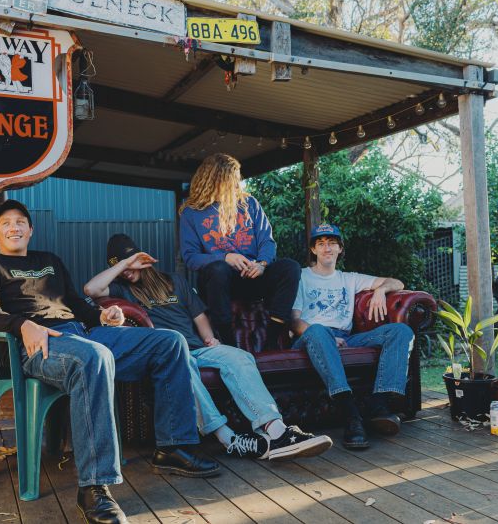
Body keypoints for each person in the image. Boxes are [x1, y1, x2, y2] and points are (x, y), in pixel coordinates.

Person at [0, 200, 218, 524]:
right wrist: (23, 325)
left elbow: (76, 303)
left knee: (170, 342)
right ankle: (94, 488)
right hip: (39, 343)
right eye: (6, 223)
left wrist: (102, 315)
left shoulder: (50, 262)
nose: (14, 227)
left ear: (31, 229)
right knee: (93, 359)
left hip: (83, 332)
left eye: (20, 222)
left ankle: (173, 446)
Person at [84, 233, 332, 461]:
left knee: (239, 357)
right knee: (184, 366)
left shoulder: (174, 281)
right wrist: (124, 265)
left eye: (132, 262)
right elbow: (90, 289)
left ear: (144, 260)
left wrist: (210, 338)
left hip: (198, 348)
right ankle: (229, 439)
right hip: (169, 355)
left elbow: (199, 316)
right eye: (122, 265)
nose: (128, 271)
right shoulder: (120, 288)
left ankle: (277, 432)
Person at [290, 224, 414, 450]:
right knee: (318, 330)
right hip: (311, 339)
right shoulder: (301, 276)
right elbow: (295, 321)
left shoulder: (350, 279)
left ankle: (379, 405)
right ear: (314, 250)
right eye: (321, 244)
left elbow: (397, 282)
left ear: (340, 249)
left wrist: (380, 291)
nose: (327, 248)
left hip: (346, 338)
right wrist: (325, 335)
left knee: (400, 331)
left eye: (332, 243)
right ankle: (350, 414)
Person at [178, 153, 300, 349]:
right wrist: (225, 257)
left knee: (290, 268)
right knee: (219, 269)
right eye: (232, 178)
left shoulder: (249, 204)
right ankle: (227, 343)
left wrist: (261, 264)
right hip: (217, 283)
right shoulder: (191, 212)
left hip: (252, 276)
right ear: (215, 179)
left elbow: (267, 242)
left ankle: (271, 341)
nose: (237, 183)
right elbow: (190, 258)